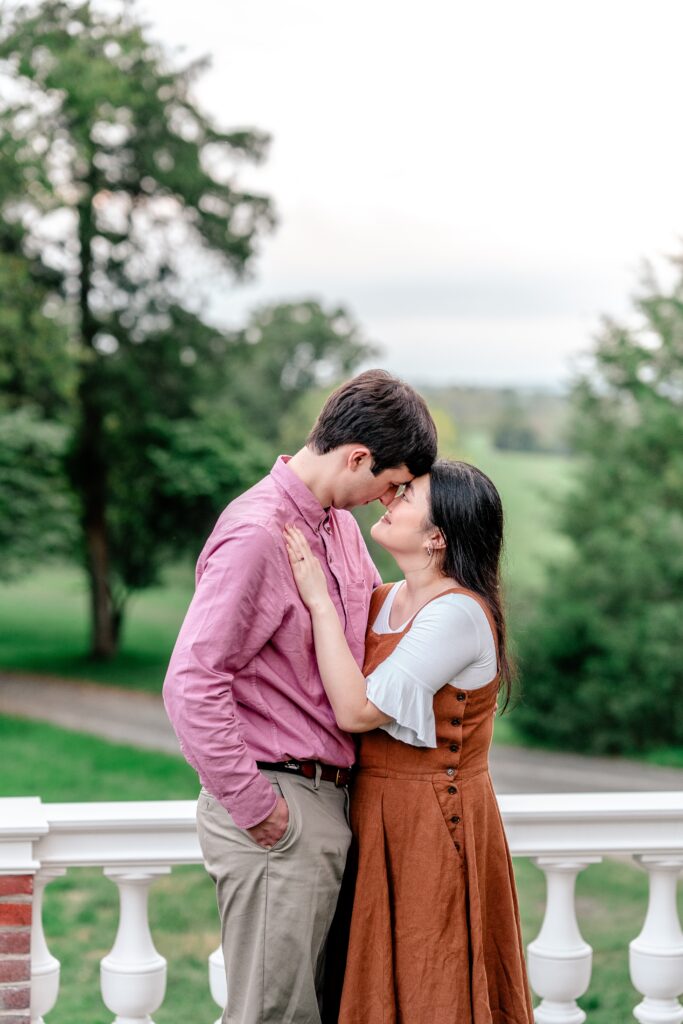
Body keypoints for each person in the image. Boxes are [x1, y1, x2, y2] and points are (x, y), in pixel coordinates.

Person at [162, 369, 437, 1024]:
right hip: (279, 805)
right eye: (390, 484)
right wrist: (259, 810)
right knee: (273, 1015)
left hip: (327, 803)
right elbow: (191, 681)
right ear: (357, 458)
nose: (385, 501)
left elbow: (374, 643)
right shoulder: (258, 533)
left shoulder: (335, 528)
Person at [284, 459, 535, 1024]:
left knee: (430, 981)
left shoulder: (458, 614)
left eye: (405, 496)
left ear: (437, 536)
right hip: (371, 815)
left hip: (431, 825)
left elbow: (356, 710)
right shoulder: (383, 599)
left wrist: (319, 600)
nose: (386, 500)